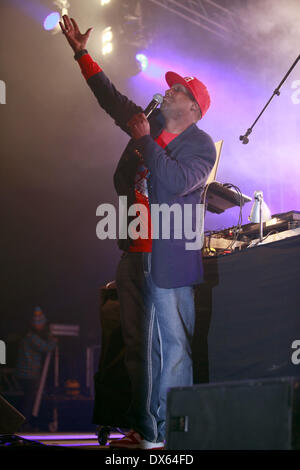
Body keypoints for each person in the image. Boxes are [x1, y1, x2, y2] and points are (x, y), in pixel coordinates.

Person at [60, 15, 216, 449]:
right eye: (170, 87)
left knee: (171, 350)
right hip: (134, 251)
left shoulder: (199, 145)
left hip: (168, 258)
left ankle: (174, 433)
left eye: (178, 90)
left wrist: (147, 140)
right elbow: (110, 98)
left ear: (194, 108)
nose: (168, 91)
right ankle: (145, 431)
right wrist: (81, 53)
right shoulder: (152, 124)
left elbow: (171, 183)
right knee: (136, 351)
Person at [15, 307, 56, 430]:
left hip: (24, 374)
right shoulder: (31, 337)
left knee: (27, 398)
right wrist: (53, 341)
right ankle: (24, 423)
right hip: (29, 374)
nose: (43, 326)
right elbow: (45, 347)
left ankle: (23, 421)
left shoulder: (28, 337)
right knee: (28, 399)